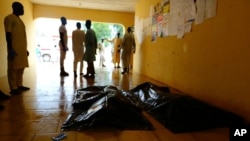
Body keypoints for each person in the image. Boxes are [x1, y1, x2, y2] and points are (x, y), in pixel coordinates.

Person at [4, 2, 30, 95]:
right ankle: (13, 88)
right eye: (21, 8)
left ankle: (19, 85)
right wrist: (10, 48)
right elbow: (8, 34)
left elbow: (21, 36)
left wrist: (25, 49)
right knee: (13, 68)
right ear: (15, 8)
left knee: (21, 68)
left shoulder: (20, 20)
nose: (23, 10)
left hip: (21, 48)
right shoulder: (9, 18)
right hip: (14, 48)